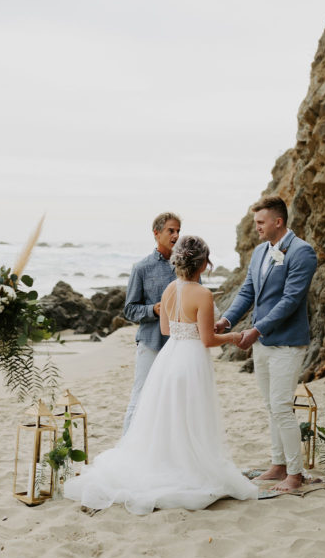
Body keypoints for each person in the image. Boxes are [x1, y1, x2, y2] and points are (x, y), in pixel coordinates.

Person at [66, 235, 257, 513]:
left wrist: (196, 328)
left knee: (169, 415)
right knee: (191, 415)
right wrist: (233, 336)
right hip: (191, 360)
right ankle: (188, 468)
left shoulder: (169, 289)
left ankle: (169, 463)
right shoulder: (203, 293)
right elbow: (206, 340)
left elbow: (167, 330)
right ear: (203, 263)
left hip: (169, 358)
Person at [215, 196, 318, 493]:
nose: (256, 227)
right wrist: (226, 321)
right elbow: (247, 292)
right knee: (271, 407)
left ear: (278, 221)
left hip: (287, 343)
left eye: (260, 222)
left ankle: (295, 475)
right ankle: (278, 464)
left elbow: (290, 301)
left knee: (282, 406)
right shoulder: (260, 252)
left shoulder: (302, 252)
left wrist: (256, 330)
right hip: (263, 344)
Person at [120, 212, 181, 434]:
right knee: (140, 396)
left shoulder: (185, 265)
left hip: (179, 343)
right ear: (156, 233)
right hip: (151, 342)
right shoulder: (141, 268)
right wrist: (153, 310)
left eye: (178, 231)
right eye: (170, 230)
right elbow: (129, 309)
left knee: (173, 400)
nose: (175, 235)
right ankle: (126, 449)